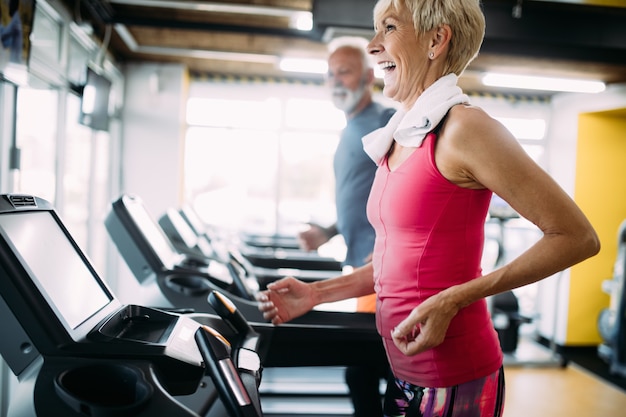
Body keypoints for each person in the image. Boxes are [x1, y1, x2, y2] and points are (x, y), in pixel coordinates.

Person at [257, 1, 601, 416]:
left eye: (388, 28)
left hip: (453, 374)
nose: (372, 45)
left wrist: (454, 299)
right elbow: (398, 265)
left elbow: (576, 237)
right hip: (403, 370)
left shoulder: (465, 129)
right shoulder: (402, 136)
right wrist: (317, 293)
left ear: (436, 39)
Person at [297, 37, 395, 417]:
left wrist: (391, 241)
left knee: (368, 365)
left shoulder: (384, 121)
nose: (336, 81)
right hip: (361, 266)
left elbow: (408, 189)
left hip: (382, 268)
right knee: (363, 367)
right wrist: (329, 232)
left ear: (369, 77)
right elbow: (362, 198)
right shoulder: (351, 127)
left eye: (345, 72)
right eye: (330, 74)